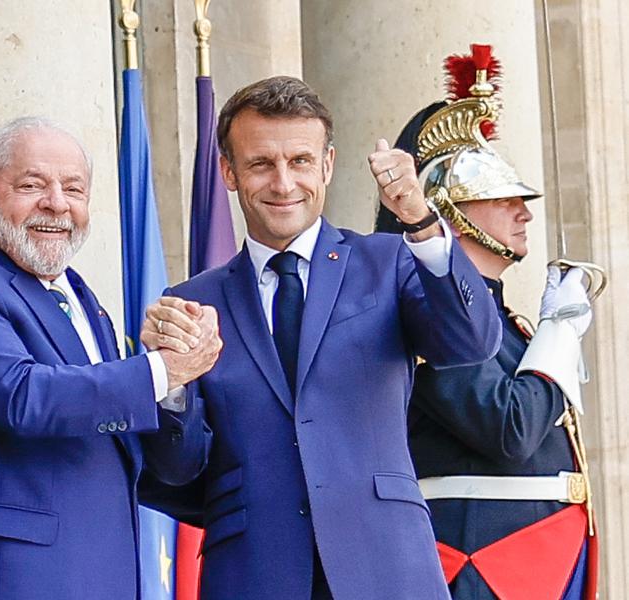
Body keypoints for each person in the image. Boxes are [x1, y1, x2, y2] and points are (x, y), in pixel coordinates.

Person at [141, 76, 501, 599]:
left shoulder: (389, 260)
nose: (283, 183)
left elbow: (471, 343)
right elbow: (175, 470)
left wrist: (422, 223)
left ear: (327, 165)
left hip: (387, 568)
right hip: (253, 573)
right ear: (229, 172)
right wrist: (169, 383)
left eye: (301, 161)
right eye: (262, 163)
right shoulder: (192, 302)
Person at [0, 117, 222, 600]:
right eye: (32, 185)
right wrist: (162, 370)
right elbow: (23, 397)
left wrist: (174, 385)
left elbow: (158, 464)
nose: (57, 204)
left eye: (74, 189)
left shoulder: (87, 305)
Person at [382, 45, 596, 600]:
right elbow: (510, 430)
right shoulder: (431, 312)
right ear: (448, 209)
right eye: (501, 197)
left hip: (537, 558)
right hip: (479, 563)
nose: (523, 211)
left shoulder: (506, 319)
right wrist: (561, 330)